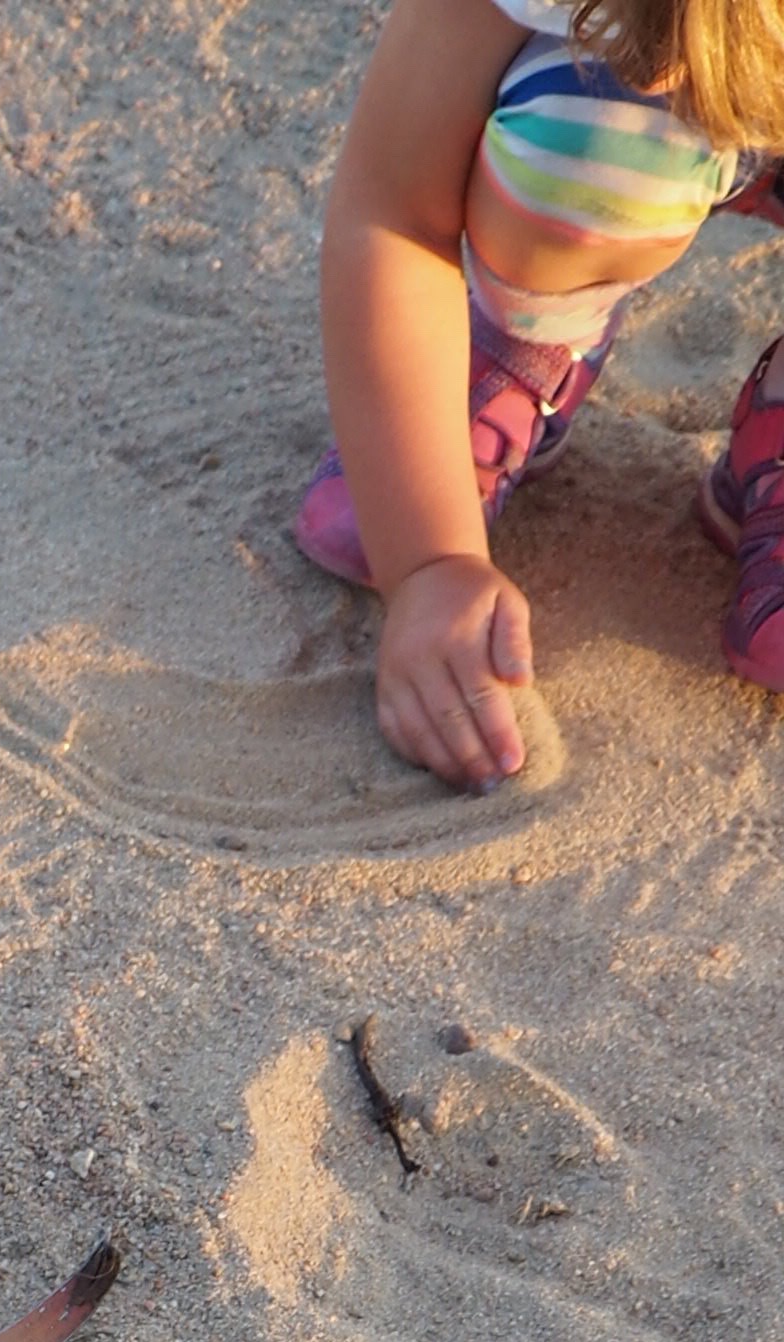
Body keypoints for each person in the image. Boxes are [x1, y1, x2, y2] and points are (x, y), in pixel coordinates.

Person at [299, 0, 784, 781]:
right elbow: (392, 209)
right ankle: (527, 333)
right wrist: (428, 563)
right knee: (585, 143)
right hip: (622, 71)